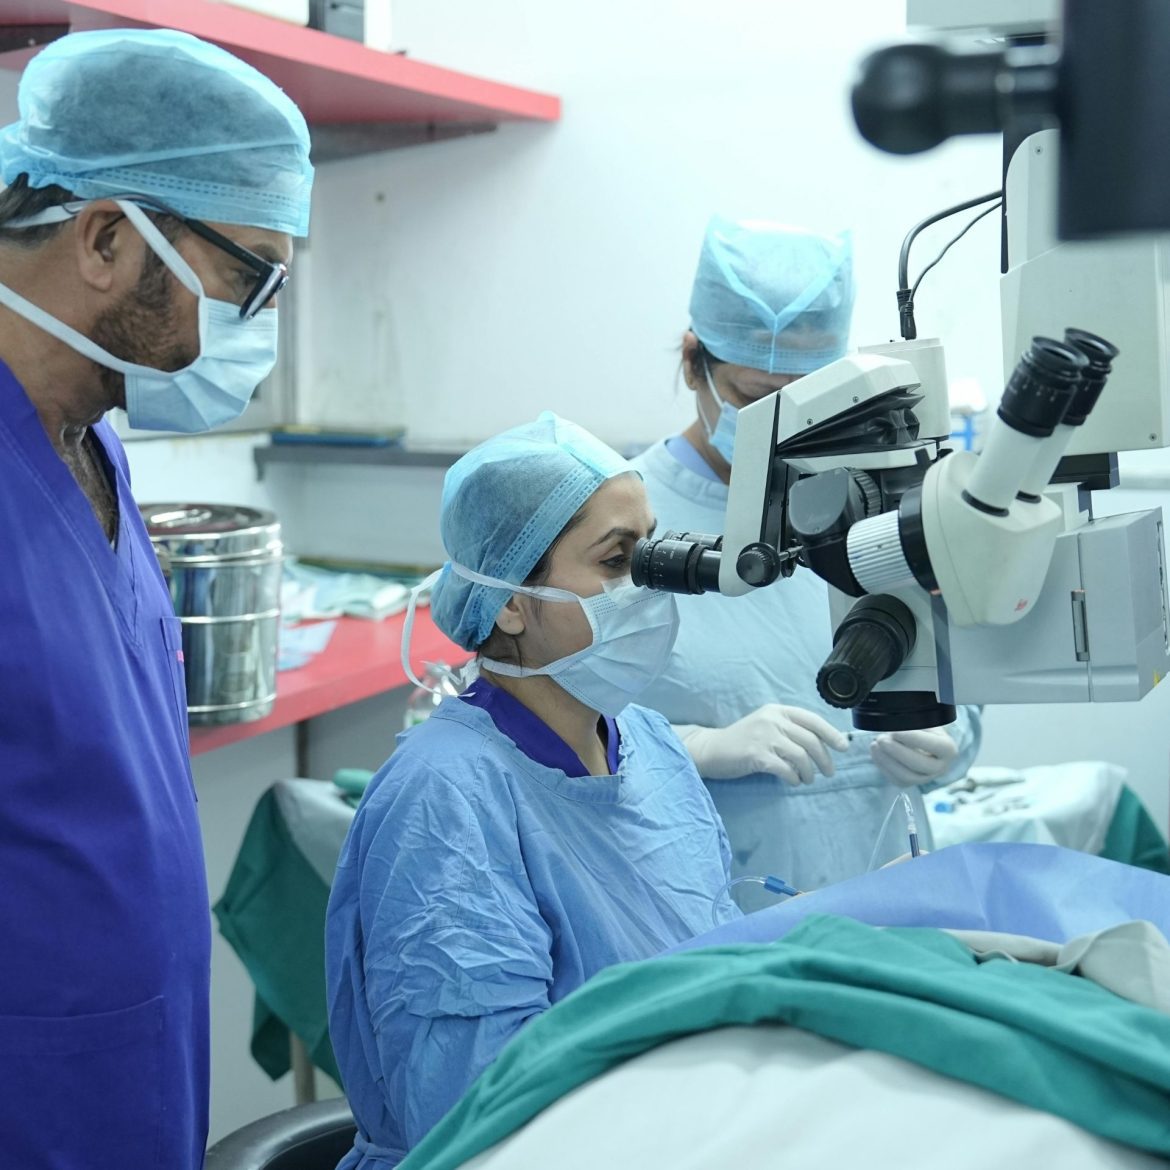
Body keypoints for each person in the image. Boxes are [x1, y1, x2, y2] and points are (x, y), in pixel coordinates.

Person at [0, 29, 312, 1169]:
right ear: (101, 239)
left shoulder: (95, 444)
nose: (261, 320)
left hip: (132, 1052)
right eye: (249, 276)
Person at [326, 412, 739, 1169]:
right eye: (617, 561)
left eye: (651, 550)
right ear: (511, 602)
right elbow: (476, 1109)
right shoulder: (446, 799)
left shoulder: (647, 743)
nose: (649, 583)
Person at [631, 216, 981, 892]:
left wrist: (952, 736)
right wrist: (691, 749)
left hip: (885, 881)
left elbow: (959, 667)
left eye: (806, 400)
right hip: (712, 905)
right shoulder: (623, 519)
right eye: (757, 399)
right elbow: (556, 723)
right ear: (691, 362)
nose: (781, 424)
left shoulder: (884, 491)